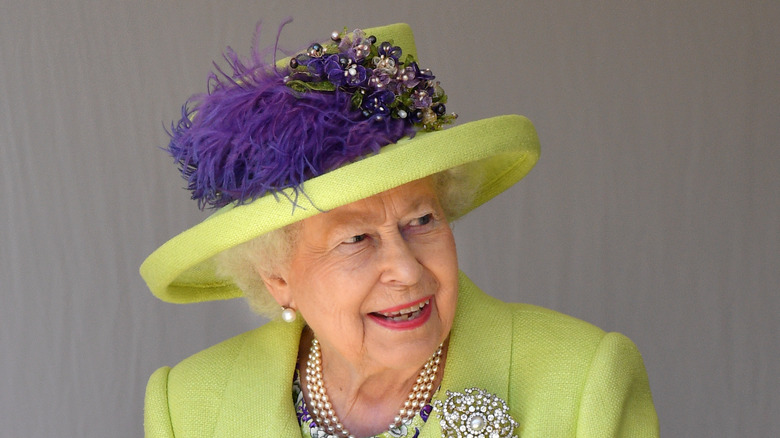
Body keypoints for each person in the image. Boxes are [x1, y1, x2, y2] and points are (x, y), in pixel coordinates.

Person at [141, 21, 659, 438]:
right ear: (278, 278)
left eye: (422, 220)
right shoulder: (189, 408)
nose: (407, 271)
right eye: (356, 239)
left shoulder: (585, 381)